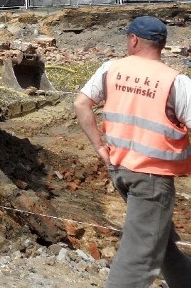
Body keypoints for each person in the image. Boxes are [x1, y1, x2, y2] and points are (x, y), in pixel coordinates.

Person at [74, 15, 191, 288]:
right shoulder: (176, 82)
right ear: (162, 45)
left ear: (134, 39)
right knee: (140, 253)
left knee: (158, 242)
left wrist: (100, 149)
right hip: (152, 179)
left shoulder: (111, 68)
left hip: (120, 171)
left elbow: (81, 105)